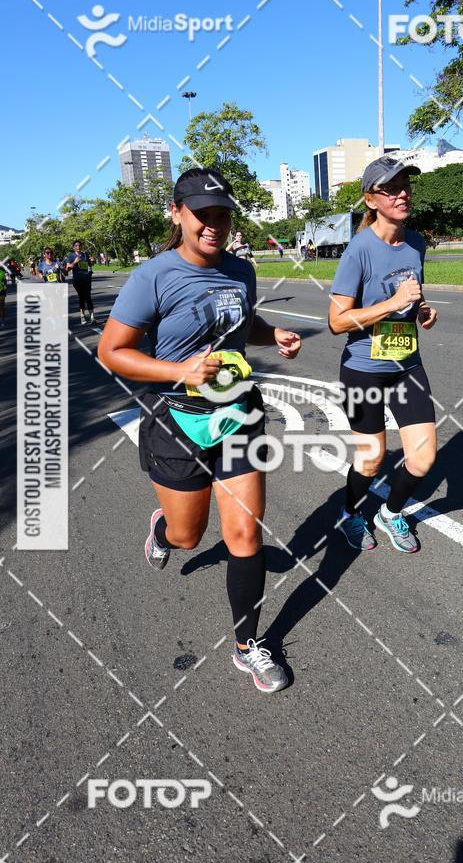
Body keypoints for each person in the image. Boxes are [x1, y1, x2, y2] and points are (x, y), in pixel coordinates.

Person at [98, 168, 301, 693]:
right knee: (188, 535)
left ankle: (247, 646)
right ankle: (163, 529)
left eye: (221, 214)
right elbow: (112, 352)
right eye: (201, 214)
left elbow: (241, 323)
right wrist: (179, 371)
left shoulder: (241, 269)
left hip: (237, 412)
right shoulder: (154, 276)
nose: (214, 224)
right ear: (177, 213)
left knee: (245, 534)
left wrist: (272, 332)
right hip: (178, 421)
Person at [329, 155, 438, 553]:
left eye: (405, 185)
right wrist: (393, 304)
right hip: (363, 370)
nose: (402, 193)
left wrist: (421, 310)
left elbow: (410, 297)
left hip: (406, 364)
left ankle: (390, 513)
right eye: (391, 189)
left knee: (423, 459)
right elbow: (336, 321)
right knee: (372, 460)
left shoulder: (416, 243)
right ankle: (350, 513)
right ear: (371, 200)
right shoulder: (358, 250)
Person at [64, 240, 95, 324]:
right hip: (77, 279)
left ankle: (92, 317)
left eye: (79, 245)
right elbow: (67, 269)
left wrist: (92, 261)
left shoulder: (85, 254)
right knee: (81, 297)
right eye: (76, 245)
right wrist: (74, 262)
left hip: (87, 278)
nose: (78, 247)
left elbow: (90, 264)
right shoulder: (71, 256)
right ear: (73, 247)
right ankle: (82, 316)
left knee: (88, 297)